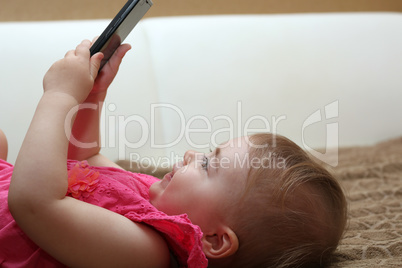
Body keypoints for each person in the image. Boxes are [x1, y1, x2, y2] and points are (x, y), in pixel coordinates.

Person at [0, 39, 347, 268]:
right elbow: (85, 158)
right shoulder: (150, 198)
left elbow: (36, 203)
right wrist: (93, 96)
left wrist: (59, 96)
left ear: (213, 239)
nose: (191, 155)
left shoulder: (144, 253)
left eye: (209, 165)